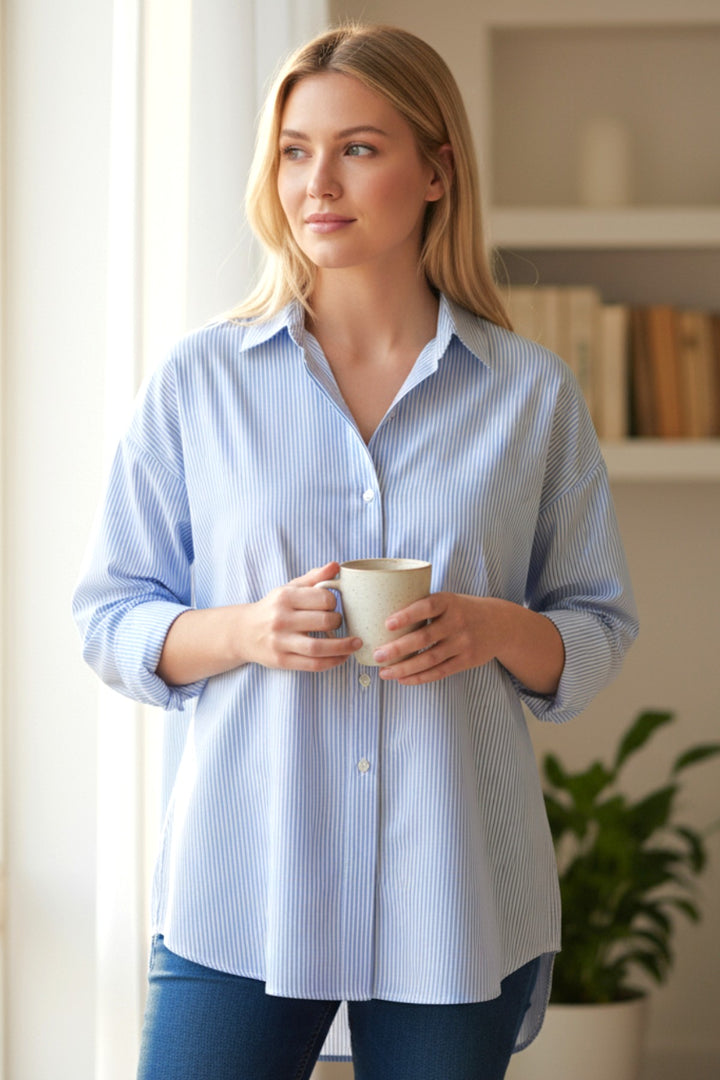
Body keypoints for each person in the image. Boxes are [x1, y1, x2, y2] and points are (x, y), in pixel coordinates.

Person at [73, 22, 638, 1080]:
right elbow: (109, 617)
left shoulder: (530, 394)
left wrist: (494, 627)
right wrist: (245, 629)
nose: (316, 182)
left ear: (437, 169)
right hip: (247, 880)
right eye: (295, 149)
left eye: (359, 148)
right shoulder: (199, 383)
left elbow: (596, 625)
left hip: (456, 887)